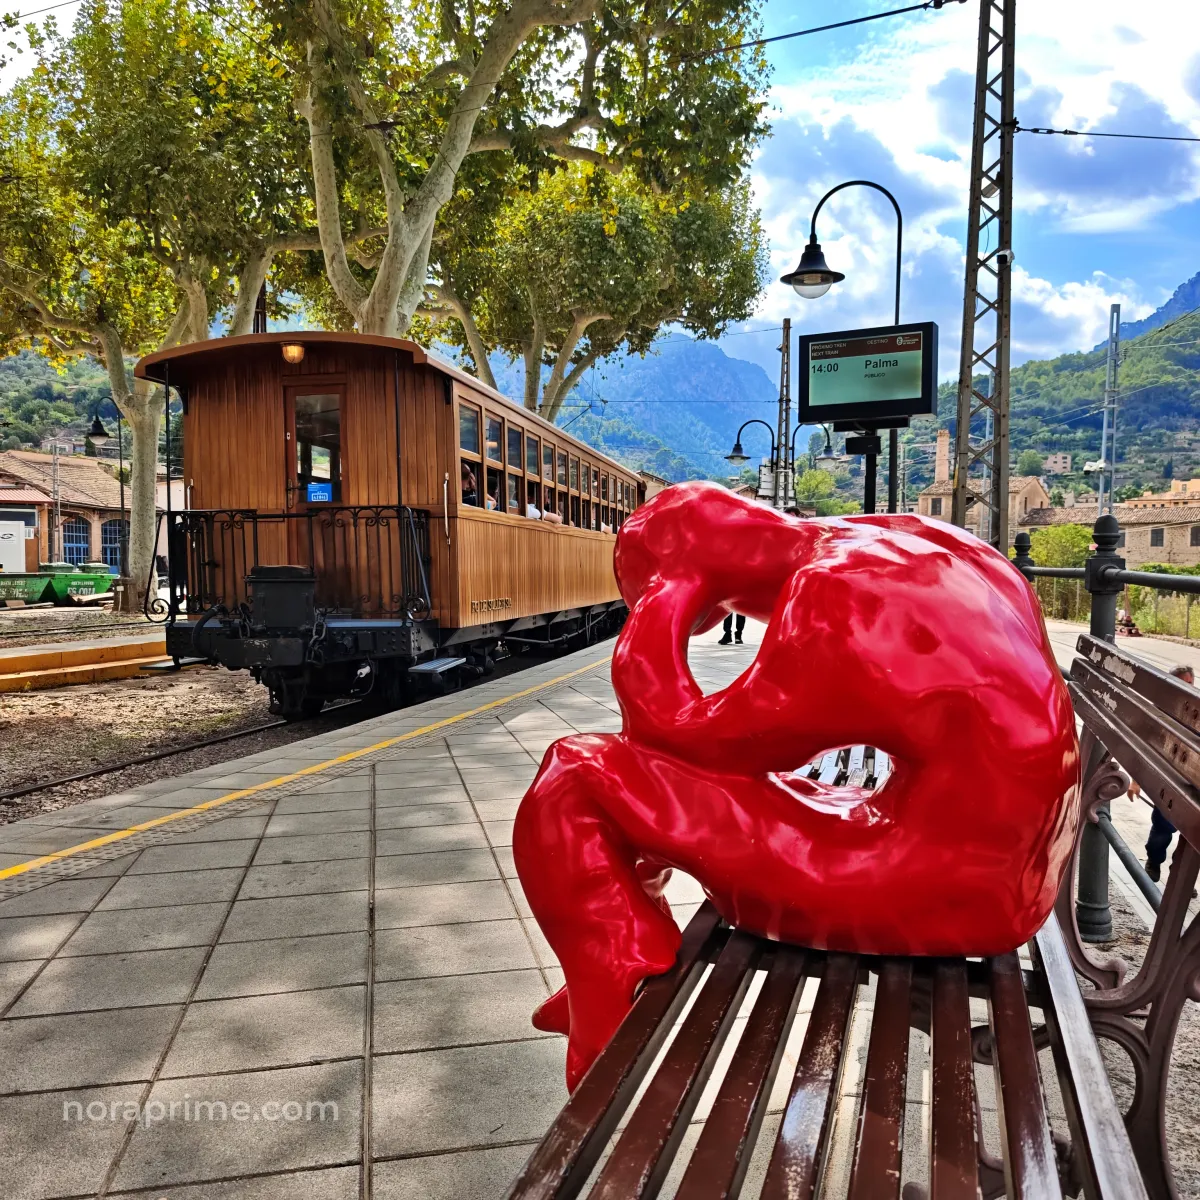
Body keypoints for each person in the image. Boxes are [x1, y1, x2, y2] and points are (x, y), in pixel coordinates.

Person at [1132, 663, 1194, 881]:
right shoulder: (1160, 710)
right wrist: (1136, 780)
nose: (1186, 687)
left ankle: (1180, 875)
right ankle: (1155, 860)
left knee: (1191, 835)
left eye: (1189, 683)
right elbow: (1144, 744)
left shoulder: (1195, 711)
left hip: (1191, 782)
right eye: (1180, 682)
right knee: (1163, 827)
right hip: (1169, 780)